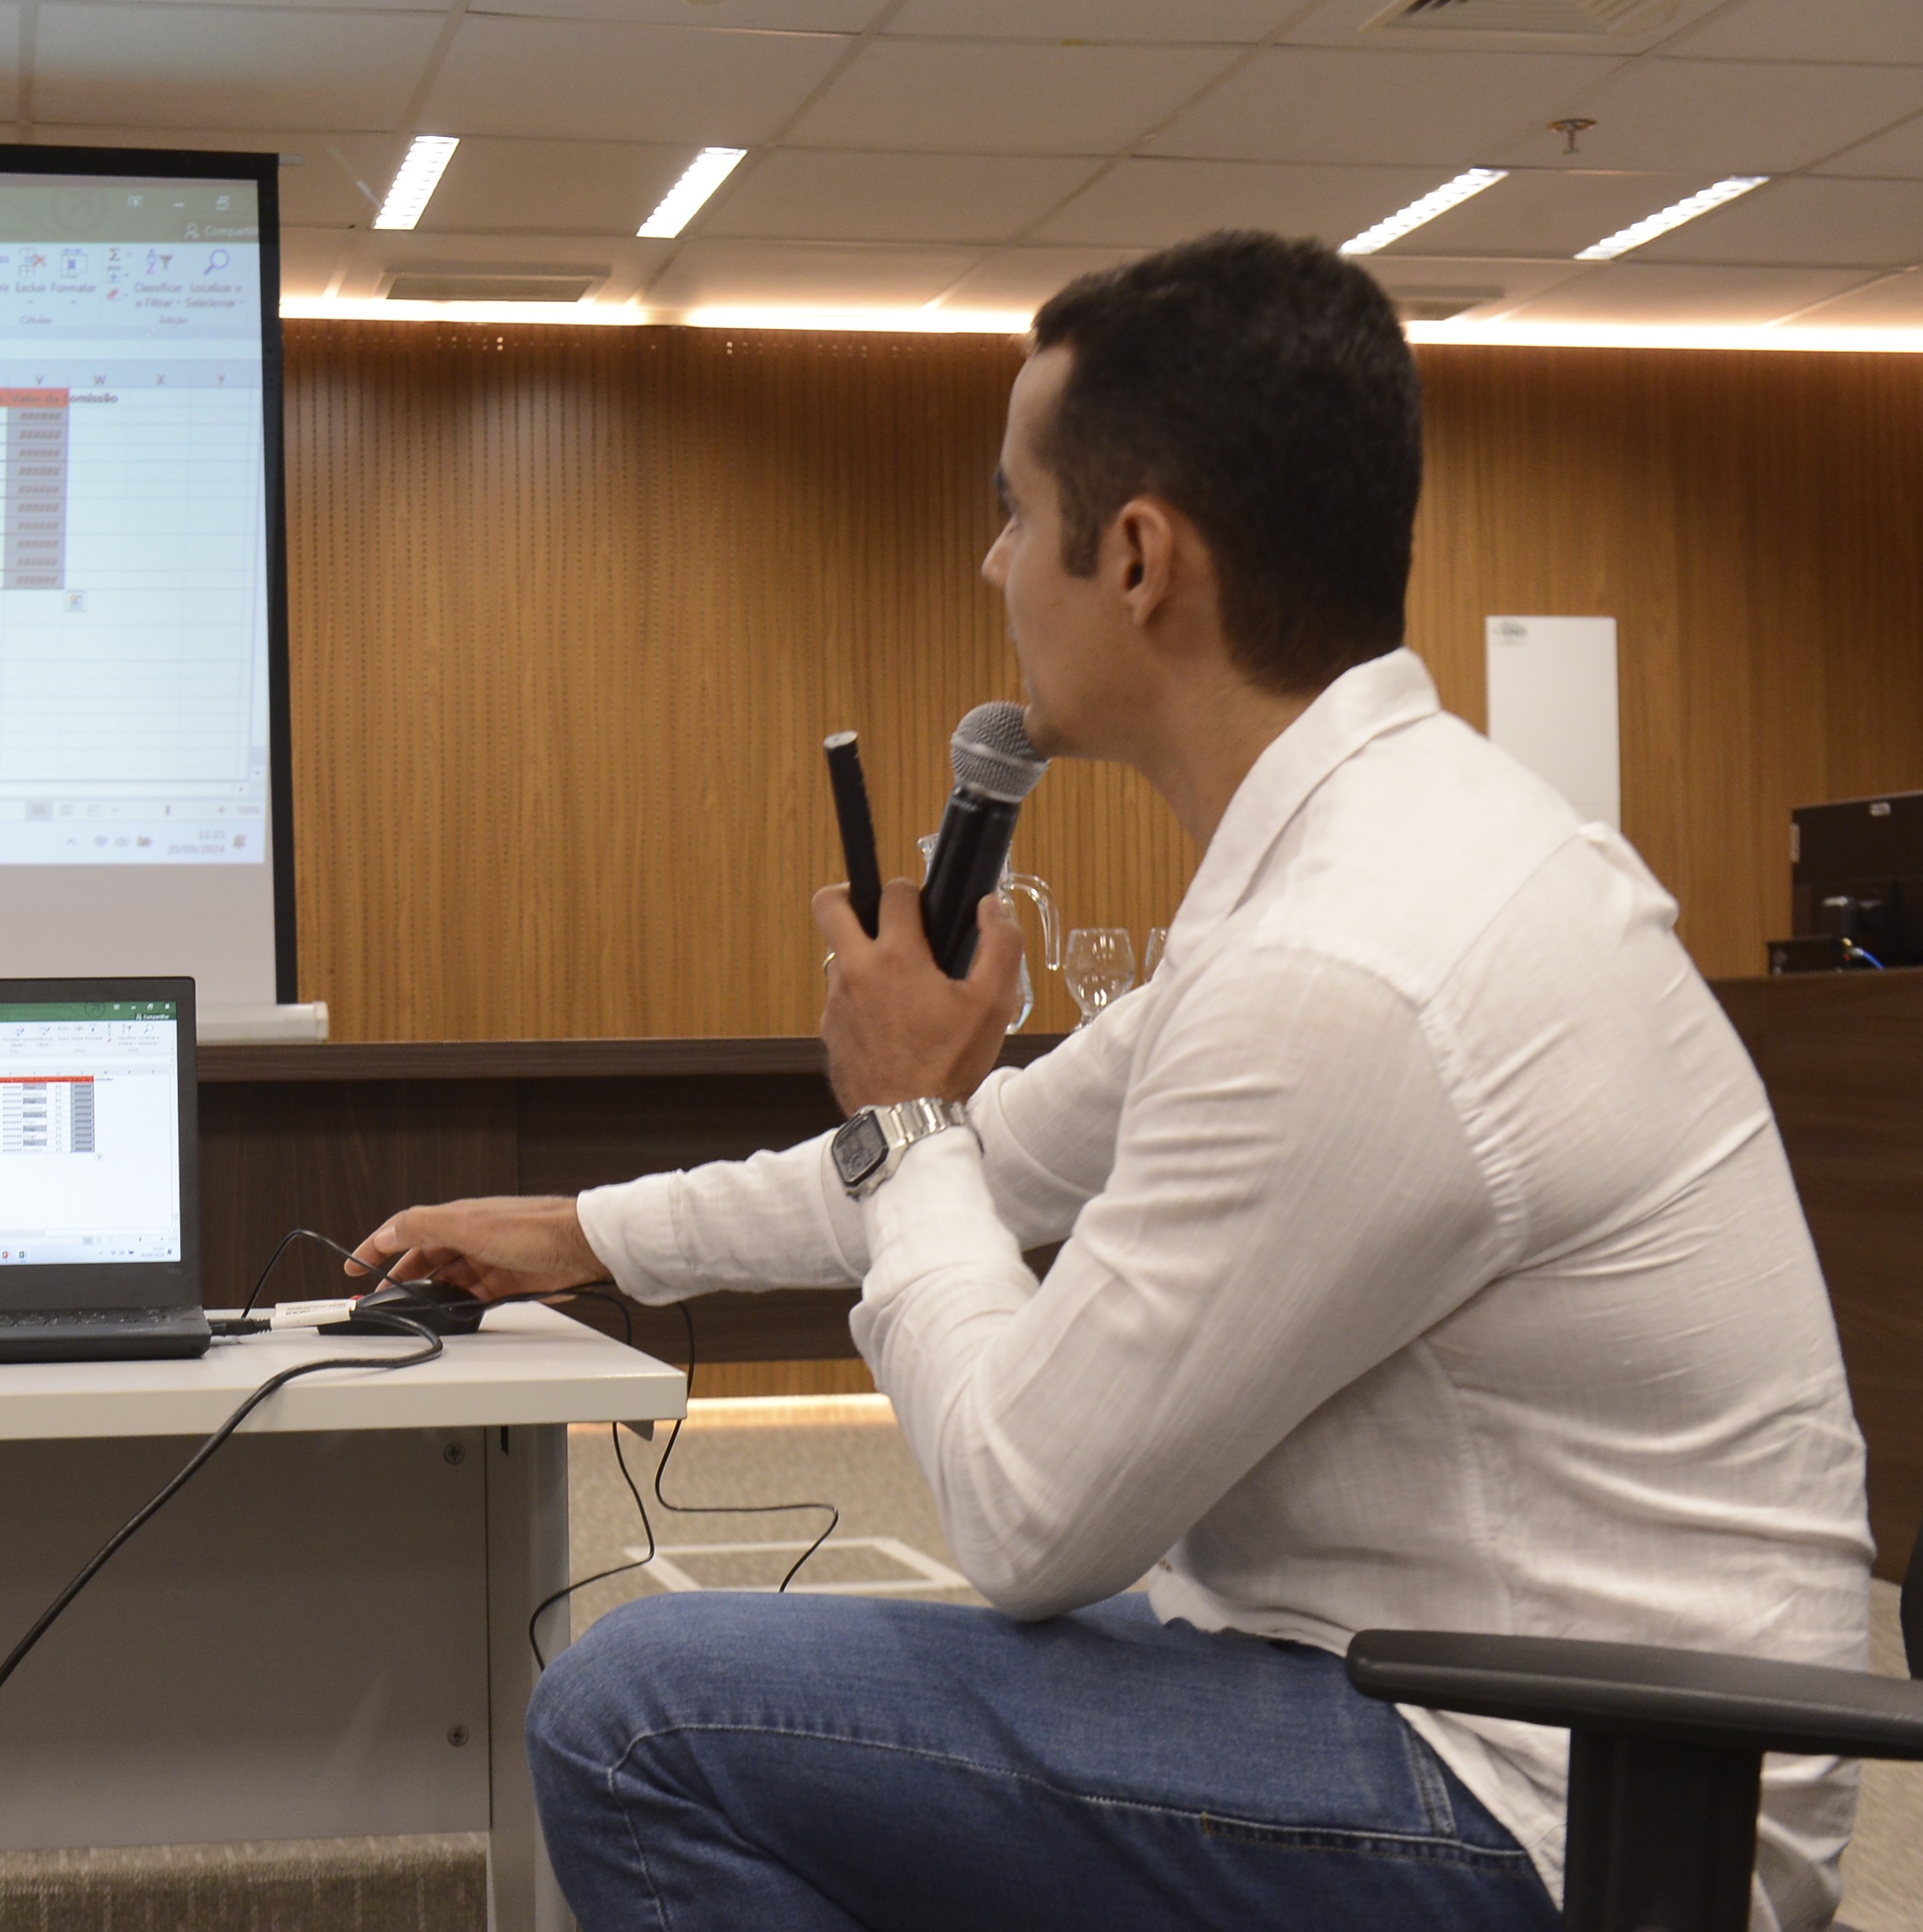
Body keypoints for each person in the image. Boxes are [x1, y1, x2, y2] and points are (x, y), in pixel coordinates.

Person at [349, 230, 1871, 1931]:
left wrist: (903, 1119)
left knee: (639, 1719)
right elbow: (1000, 1160)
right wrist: (584, 1234)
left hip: (1565, 1810)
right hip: (1490, 1708)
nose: (993, 561)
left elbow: (1024, 1518)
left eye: (1013, 512)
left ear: (1137, 558)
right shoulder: (1379, 853)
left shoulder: (1350, 965)